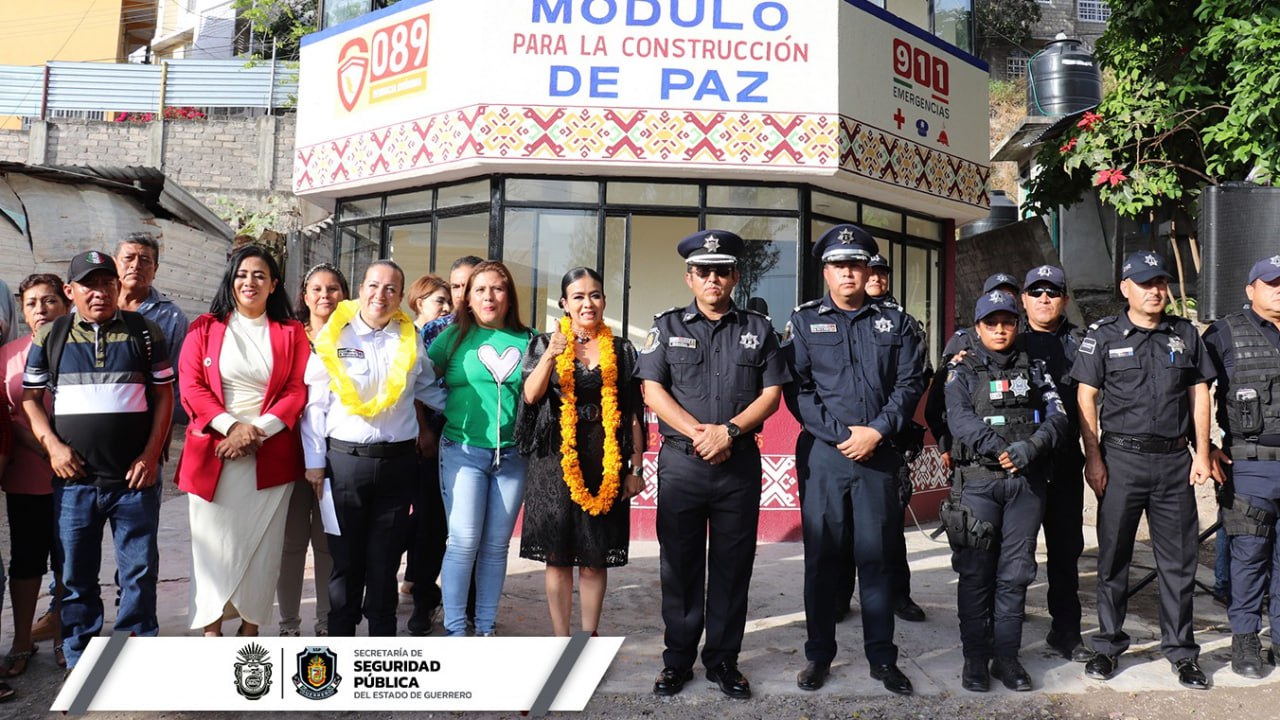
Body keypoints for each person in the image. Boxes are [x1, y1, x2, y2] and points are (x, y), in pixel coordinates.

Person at [636, 230, 786, 700]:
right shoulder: (666, 327)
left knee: (732, 567)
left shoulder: (759, 328)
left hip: (737, 465)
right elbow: (652, 390)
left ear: (736, 276)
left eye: (722, 271)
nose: (712, 279)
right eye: (703, 271)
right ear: (690, 278)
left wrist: (730, 432)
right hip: (683, 464)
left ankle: (723, 661)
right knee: (679, 566)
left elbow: (771, 394)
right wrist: (702, 434)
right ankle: (677, 660)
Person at [786, 224, 924, 696]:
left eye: (856, 264)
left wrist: (877, 431)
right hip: (826, 457)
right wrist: (843, 436)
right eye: (838, 265)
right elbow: (799, 390)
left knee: (878, 559)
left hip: (879, 455)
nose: (847, 272)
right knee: (822, 560)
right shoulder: (804, 322)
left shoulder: (897, 323)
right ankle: (819, 656)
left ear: (868, 271)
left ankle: (883, 659)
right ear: (826, 272)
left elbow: (910, 383)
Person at [22, 250, 174, 672]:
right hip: (75, 483)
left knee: (138, 574)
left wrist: (150, 456)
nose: (100, 292)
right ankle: (82, 662)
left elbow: (164, 396)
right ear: (70, 291)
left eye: (107, 283)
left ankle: (133, 658)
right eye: (89, 284)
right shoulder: (51, 335)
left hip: (134, 481)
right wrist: (53, 447)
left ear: (117, 287)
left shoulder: (144, 331)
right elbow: (31, 398)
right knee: (75, 578)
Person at [1071, 250, 1215, 690]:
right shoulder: (1103, 335)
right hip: (1121, 461)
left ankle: (1182, 652)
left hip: (1174, 462)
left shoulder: (1184, 334)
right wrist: (1093, 458)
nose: (1156, 291)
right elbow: (1085, 396)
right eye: (1146, 283)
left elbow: (1199, 393)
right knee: (1113, 557)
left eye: (1161, 283)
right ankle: (1107, 645)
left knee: (1179, 562)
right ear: (1125, 288)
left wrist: (1202, 453)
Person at [302, 260, 444, 637]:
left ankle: (381, 645)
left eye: (390, 289)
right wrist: (314, 463)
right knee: (345, 563)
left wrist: (474, 409)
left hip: (398, 467)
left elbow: (427, 388)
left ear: (400, 297)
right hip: (343, 466)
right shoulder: (336, 335)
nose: (380, 295)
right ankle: (341, 643)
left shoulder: (409, 337)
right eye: (373, 286)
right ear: (361, 289)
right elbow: (315, 405)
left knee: (385, 564)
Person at [177, 245, 310, 637]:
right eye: (241, 274)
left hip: (270, 451)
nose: (249, 282)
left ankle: (250, 629)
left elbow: (296, 390)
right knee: (211, 548)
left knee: (262, 547)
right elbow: (191, 386)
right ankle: (211, 629)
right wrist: (232, 428)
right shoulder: (204, 328)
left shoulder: (291, 332)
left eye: (259, 275)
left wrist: (256, 431)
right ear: (231, 280)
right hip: (215, 449)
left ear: (274, 284)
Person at [942, 290, 1068, 692]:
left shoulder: (1037, 368)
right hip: (978, 483)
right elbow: (959, 419)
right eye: (991, 323)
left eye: (1008, 322)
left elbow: (1058, 417)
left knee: (1015, 575)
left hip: (1025, 485)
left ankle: (1007, 658)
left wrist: (1030, 447)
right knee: (975, 574)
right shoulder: (961, 369)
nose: (1000, 329)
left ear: (1018, 324)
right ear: (977, 327)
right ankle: (975, 659)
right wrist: (1000, 449)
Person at [515, 267, 647, 636]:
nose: (588, 303)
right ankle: (561, 637)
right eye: (578, 296)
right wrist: (550, 356)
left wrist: (635, 468)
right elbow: (530, 396)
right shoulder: (543, 343)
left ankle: (589, 636)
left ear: (603, 300)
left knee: (594, 556)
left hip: (604, 459)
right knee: (558, 558)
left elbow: (632, 411)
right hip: (555, 459)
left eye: (595, 295)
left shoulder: (621, 349)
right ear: (564, 303)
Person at [429, 260, 534, 638]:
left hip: (513, 456)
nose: (489, 297)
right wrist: (444, 413)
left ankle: (485, 628)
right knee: (462, 542)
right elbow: (420, 383)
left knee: (495, 547)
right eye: (480, 290)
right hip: (463, 452)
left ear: (510, 297)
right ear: (469, 299)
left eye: (498, 289)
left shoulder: (530, 340)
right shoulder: (451, 338)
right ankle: (456, 630)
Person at [829, 252, 926, 625]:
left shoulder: (903, 323)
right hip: (840, 442)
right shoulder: (831, 316)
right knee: (840, 530)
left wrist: (881, 428)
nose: (876, 278)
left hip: (888, 440)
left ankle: (897, 595)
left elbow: (915, 377)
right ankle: (838, 598)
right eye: (871, 272)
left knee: (889, 530)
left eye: (882, 273)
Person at [1202, 255, 1280, 677]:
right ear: (1251, 290)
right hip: (1250, 464)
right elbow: (1193, 391)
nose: (1279, 291)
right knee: (1249, 557)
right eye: (1272, 283)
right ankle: (1246, 640)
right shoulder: (1225, 333)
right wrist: (1206, 447)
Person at [1018, 264, 1092, 662]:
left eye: (1052, 292)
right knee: (1013, 553)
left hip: (1064, 462)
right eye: (1036, 292)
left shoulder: (1084, 343)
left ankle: (1066, 631)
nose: (1044, 299)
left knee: (1066, 551)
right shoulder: (1006, 336)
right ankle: (1003, 633)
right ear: (1024, 298)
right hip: (1019, 465)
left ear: (1064, 299)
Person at [0, 275, 70, 676]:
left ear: (67, 304)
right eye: (31, 303)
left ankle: (64, 634)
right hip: (26, 474)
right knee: (26, 560)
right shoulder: (7, 356)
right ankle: (22, 639)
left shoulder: (80, 350)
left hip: (75, 474)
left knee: (68, 559)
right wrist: (46, 448)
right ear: (22, 310)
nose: (41, 309)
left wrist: (64, 452)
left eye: (49, 300)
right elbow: (7, 416)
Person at [276, 263, 349, 637]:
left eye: (333, 289)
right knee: (290, 543)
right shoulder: (288, 335)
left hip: (334, 453)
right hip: (288, 450)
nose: (325, 295)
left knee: (327, 542)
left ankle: (325, 621)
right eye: (317, 289)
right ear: (304, 296)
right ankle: (288, 623)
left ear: (344, 295)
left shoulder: (353, 336)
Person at [414, 255, 483, 634]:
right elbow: (416, 385)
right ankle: (424, 601)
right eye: (455, 286)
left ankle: (470, 607)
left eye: (468, 285)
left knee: (471, 528)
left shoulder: (499, 332)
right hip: (436, 433)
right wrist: (424, 430)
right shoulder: (433, 331)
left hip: (478, 438)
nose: (461, 293)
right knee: (430, 523)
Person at [925, 272, 1022, 473]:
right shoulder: (963, 340)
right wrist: (944, 441)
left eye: (1009, 295)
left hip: (1022, 449)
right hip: (978, 456)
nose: (1002, 299)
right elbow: (938, 398)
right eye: (996, 294)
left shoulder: (1022, 340)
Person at [401, 273, 451, 636]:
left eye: (449, 300)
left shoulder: (450, 333)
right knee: (420, 519)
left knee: (431, 521)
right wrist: (423, 429)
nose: (447, 307)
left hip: (451, 432)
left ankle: (421, 586)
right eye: (440, 300)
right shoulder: (409, 335)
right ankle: (418, 588)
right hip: (420, 439)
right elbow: (414, 389)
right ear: (419, 302)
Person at [115, 232, 190, 425]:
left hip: (147, 420)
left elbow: (177, 377)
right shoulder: (93, 308)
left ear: (155, 269)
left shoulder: (172, 318)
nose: (136, 265)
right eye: (128, 258)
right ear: (115, 263)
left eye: (145, 260)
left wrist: (165, 425)